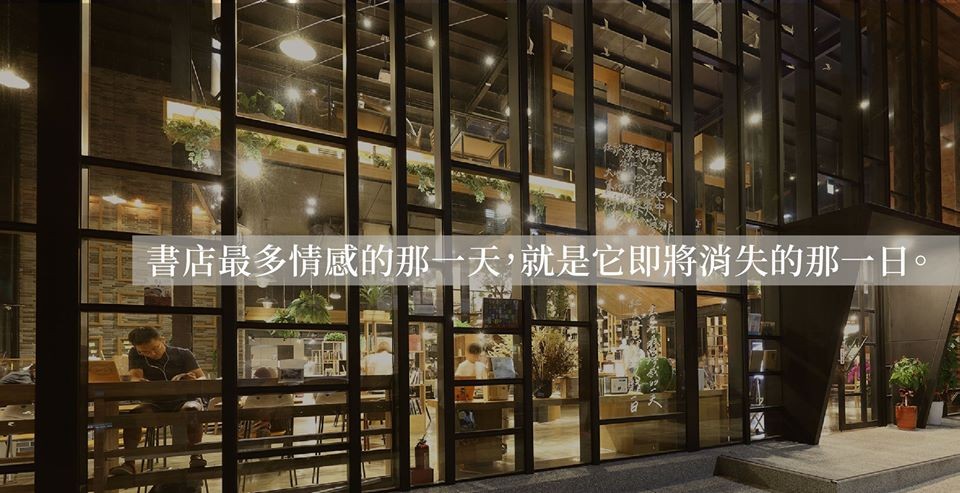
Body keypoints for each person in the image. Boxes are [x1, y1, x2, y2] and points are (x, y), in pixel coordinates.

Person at [109, 327, 206, 476]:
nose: (152, 354)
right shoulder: (135, 353)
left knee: (192, 410)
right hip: (155, 402)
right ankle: (129, 463)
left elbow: (202, 377)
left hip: (185, 399)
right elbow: (135, 375)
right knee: (132, 416)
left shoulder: (183, 354)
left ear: (162, 340)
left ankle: (196, 456)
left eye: (155, 348)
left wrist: (192, 379)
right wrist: (138, 380)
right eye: (145, 352)